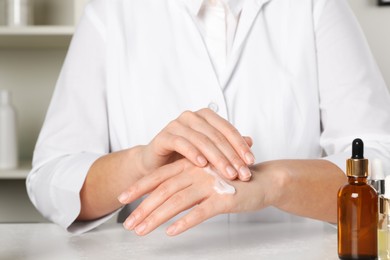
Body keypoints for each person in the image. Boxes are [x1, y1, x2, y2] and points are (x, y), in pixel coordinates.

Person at [26, 0, 390, 236]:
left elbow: (383, 170)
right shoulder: (111, 11)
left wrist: (275, 182)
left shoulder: (316, 6)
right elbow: (51, 182)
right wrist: (140, 164)